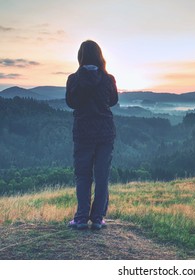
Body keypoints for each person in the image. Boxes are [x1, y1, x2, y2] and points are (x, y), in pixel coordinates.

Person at [66, 40, 118, 230]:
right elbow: (113, 100)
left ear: (80, 56)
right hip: (105, 132)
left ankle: (80, 218)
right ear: (99, 55)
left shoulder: (74, 79)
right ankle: (98, 219)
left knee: (83, 176)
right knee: (102, 176)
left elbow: (70, 102)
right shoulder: (108, 78)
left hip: (83, 132)